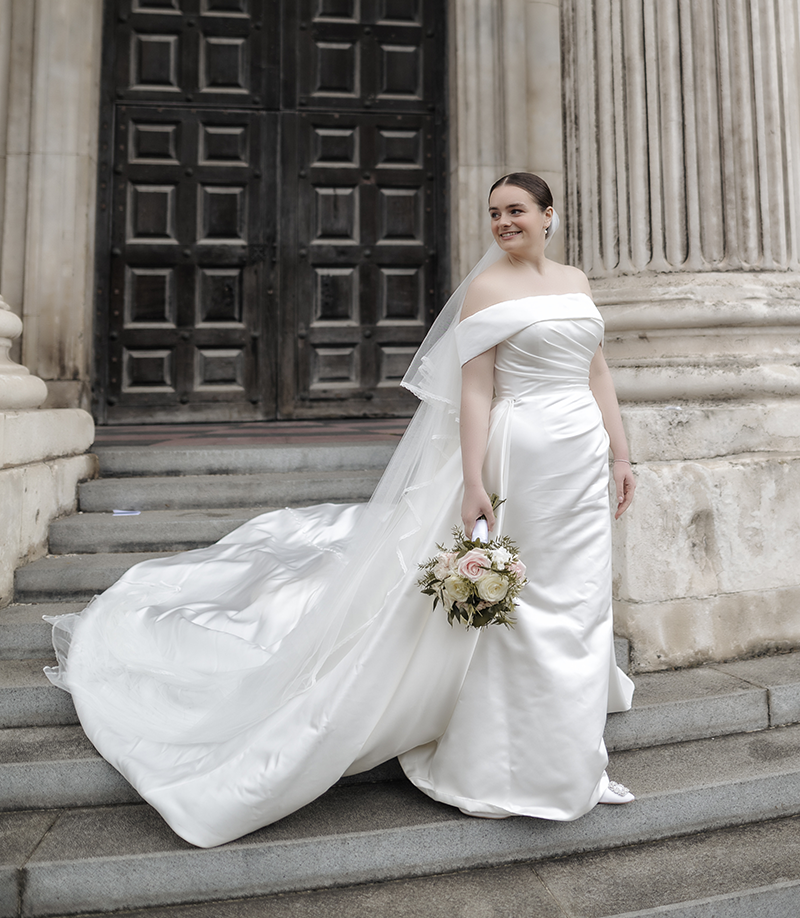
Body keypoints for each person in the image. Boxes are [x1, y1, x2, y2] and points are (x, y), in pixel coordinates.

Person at [45, 172, 635, 848]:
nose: (504, 223)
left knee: (580, 597)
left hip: (581, 462)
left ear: (548, 215)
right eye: (495, 213)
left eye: (517, 211)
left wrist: (621, 454)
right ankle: (516, 763)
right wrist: (473, 479)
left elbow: (597, 372)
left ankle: (572, 745)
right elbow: (475, 393)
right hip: (521, 456)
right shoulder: (486, 289)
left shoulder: (578, 281)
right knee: (522, 607)